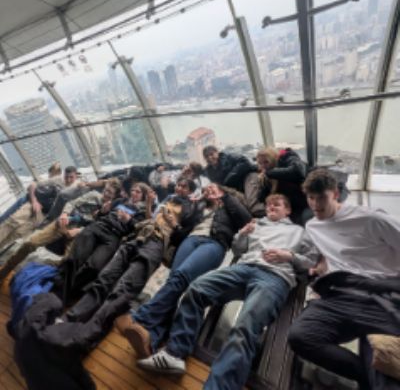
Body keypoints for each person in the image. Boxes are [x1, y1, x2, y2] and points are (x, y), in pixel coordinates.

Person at [134, 194, 318, 390]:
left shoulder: (299, 232)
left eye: (277, 204)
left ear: (287, 210)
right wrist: (243, 234)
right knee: (197, 289)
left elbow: (312, 262)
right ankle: (174, 354)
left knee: (245, 326)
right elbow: (238, 250)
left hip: (274, 276)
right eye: (268, 204)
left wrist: (289, 255)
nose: (271, 207)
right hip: (243, 268)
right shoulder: (257, 225)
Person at [39, 178, 199, 352]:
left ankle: (87, 334)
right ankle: (69, 318)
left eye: (184, 186)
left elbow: (183, 238)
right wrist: (148, 207)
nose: (179, 188)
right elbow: (147, 220)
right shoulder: (166, 201)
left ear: (191, 192)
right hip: (136, 238)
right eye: (178, 185)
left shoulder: (191, 209)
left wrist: (173, 223)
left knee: (122, 290)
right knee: (103, 280)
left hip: (156, 244)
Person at [287, 169, 400, 390]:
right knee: (301, 337)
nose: (316, 205)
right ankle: (364, 375)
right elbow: (332, 256)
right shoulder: (313, 226)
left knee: (384, 370)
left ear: (336, 194)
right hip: (341, 296)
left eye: (322, 198)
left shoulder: (372, 219)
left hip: (379, 297)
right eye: (311, 198)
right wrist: (320, 276)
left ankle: (372, 378)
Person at [115, 183, 252, 357]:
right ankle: (152, 340)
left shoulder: (232, 207)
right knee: (174, 283)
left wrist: (223, 196)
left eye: (214, 190)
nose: (209, 191)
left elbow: (246, 219)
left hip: (214, 243)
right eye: (208, 190)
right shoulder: (202, 205)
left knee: (181, 277)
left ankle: (139, 318)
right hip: (190, 240)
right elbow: (184, 225)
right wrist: (194, 204)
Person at [0, 178, 122, 283]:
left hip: (78, 236)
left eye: (110, 192)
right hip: (63, 223)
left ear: (115, 196)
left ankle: (31, 275)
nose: (106, 193)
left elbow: (97, 227)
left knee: (66, 263)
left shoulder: (111, 212)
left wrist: (79, 231)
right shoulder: (94, 195)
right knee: (30, 244)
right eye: (106, 190)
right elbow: (72, 203)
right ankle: (4, 272)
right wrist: (64, 214)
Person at [54, 182, 152, 304]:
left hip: (114, 236)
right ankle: (59, 294)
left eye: (138, 192)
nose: (134, 193)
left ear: (143, 196)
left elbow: (138, 229)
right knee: (74, 260)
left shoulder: (142, 212)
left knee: (94, 267)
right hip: (99, 227)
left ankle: (70, 292)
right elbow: (99, 215)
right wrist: (103, 211)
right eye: (133, 190)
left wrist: (128, 220)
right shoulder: (120, 201)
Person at [0, 166, 79, 251]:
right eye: (66, 177)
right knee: (12, 222)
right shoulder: (57, 180)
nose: (68, 180)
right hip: (35, 205)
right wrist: (34, 202)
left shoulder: (77, 189)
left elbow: (72, 206)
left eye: (71, 177)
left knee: (19, 233)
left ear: (76, 176)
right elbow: (33, 185)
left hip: (44, 215)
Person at [256, 147, 308, 224]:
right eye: (260, 163)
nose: (263, 166)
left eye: (266, 162)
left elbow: (298, 171)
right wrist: (264, 184)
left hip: (299, 206)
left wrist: (269, 173)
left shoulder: (287, 158)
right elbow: (261, 198)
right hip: (282, 210)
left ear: (273, 160)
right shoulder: (265, 177)